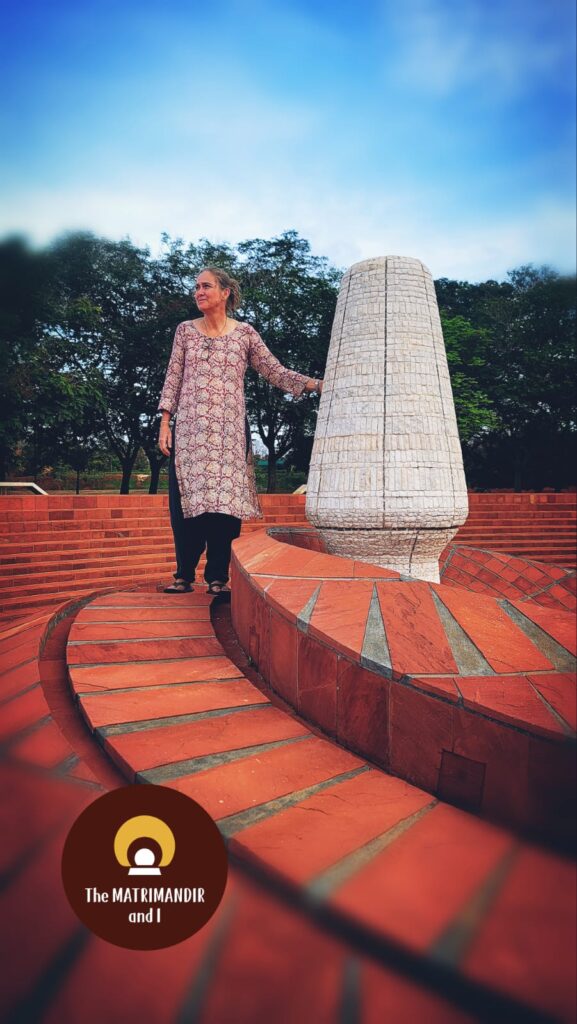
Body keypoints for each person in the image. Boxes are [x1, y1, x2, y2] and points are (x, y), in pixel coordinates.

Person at [158, 267, 323, 595]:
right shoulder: (185, 332)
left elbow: (272, 370)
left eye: (206, 286)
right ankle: (183, 575)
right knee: (186, 506)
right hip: (190, 435)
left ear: (225, 293)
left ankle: (218, 577)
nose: (198, 292)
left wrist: (313, 383)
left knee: (225, 508)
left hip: (229, 438)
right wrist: (165, 422)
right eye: (196, 287)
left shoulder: (245, 333)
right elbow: (173, 376)